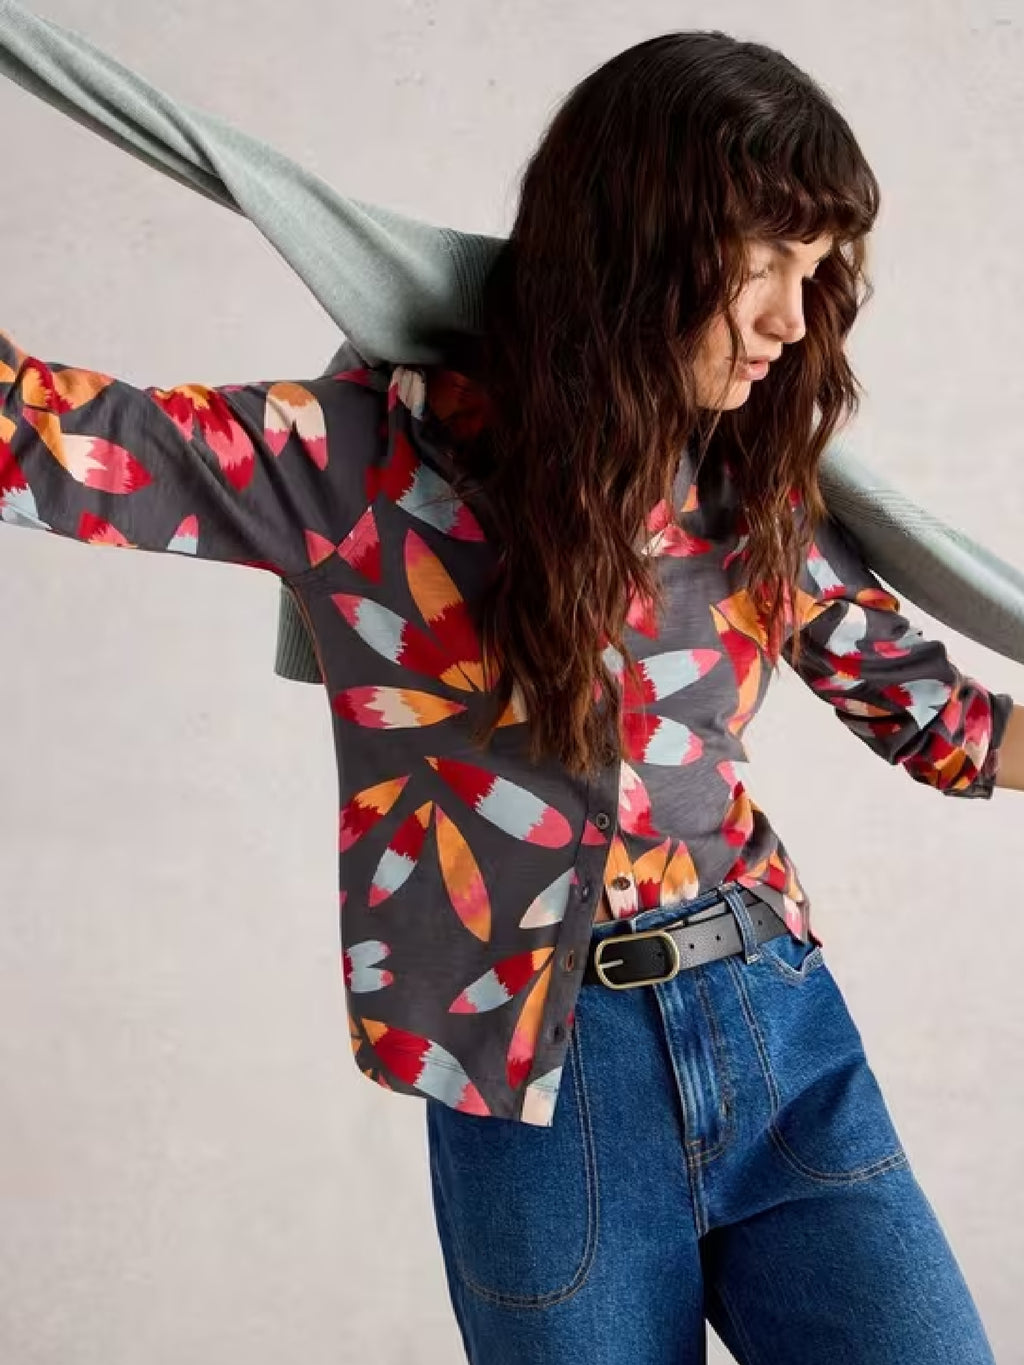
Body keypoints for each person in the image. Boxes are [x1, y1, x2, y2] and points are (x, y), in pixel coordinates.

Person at [2, 27, 1021, 1365]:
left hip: (777, 1025)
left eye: (816, 269)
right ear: (645, 237)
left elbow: (941, 721)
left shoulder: (749, 473)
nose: (792, 316)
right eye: (765, 259)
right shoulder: (376, 456)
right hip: (542, 1084)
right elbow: (50, 443)